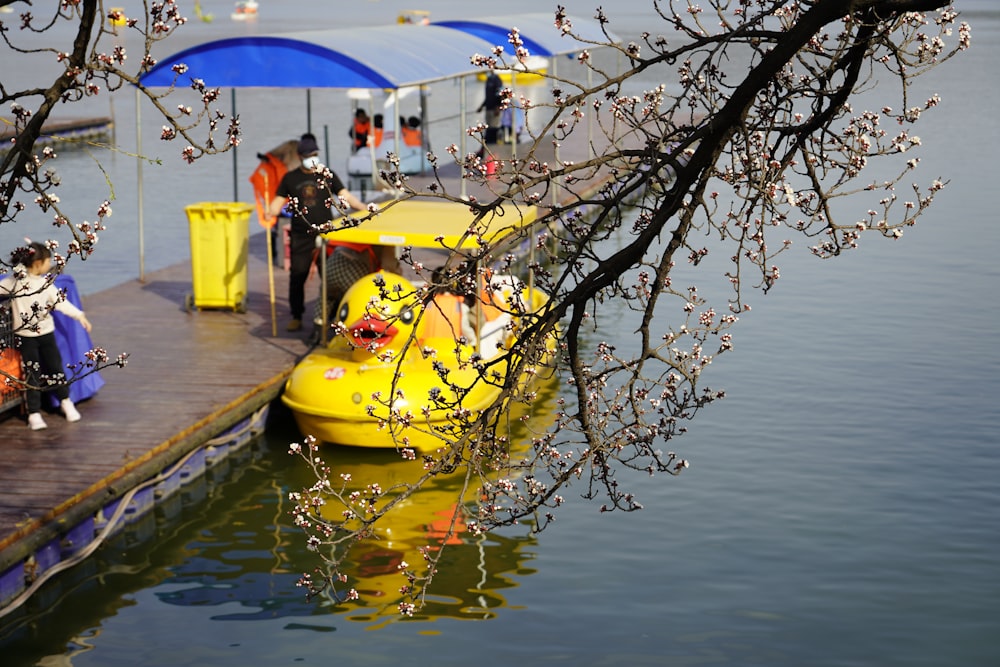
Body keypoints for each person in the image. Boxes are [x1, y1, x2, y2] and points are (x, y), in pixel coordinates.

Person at [269, 133, 370, 332]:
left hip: (327, 235)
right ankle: (296, 315)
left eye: (315, 154)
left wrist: (363, 208)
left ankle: (336, 312)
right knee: (298, 275)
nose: (312, 157)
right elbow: (277, 202)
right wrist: (270, 210)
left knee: (332, 275)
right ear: (300, 156)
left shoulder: (326, 174)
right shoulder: (290, 178)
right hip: (301, 235)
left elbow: (345, 195)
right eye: (308, 155)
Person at [0, 241, 92, 430]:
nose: (50, 265)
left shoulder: (45, 284)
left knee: (55, 368)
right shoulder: (16, 281)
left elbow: (60, 302)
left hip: (46, 334)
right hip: (25, 336)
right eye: (47, 261)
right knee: (31, 373)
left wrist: (79, 315)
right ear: (37, 263)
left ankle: (66, 402)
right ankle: (34, 413)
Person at [477, 71, 503, 147]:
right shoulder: (488, 80)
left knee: (494, 126)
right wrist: (482, 106)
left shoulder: (497, 80)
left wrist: (498, 106)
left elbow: (500, 94)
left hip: (495, 108)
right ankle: (488, 143)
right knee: (488, 126)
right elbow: (488, 96)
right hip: (488, 107)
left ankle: (493, 143)